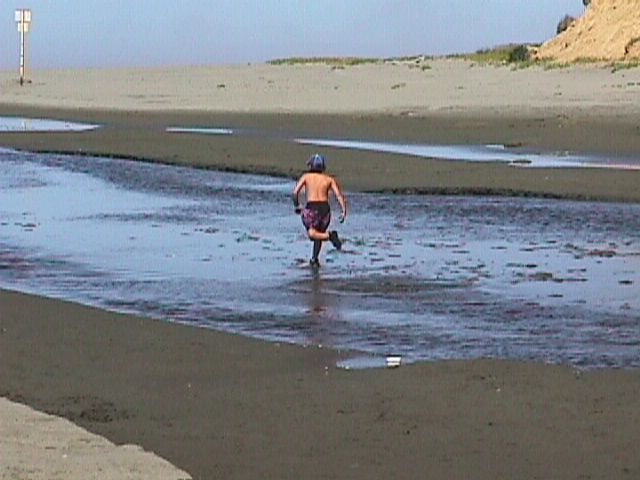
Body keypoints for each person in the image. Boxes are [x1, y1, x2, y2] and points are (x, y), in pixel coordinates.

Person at [292, 154, 347, 267]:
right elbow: (338, 195)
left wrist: (297, 205)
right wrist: (343, 210)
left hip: (312, 207)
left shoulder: (307, 177)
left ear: (311, 166)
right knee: (319, 233)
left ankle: (330, 236)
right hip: (325, 209)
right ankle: (314, 259)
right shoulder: (329, 179)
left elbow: (295, 192)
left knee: (312, 233)